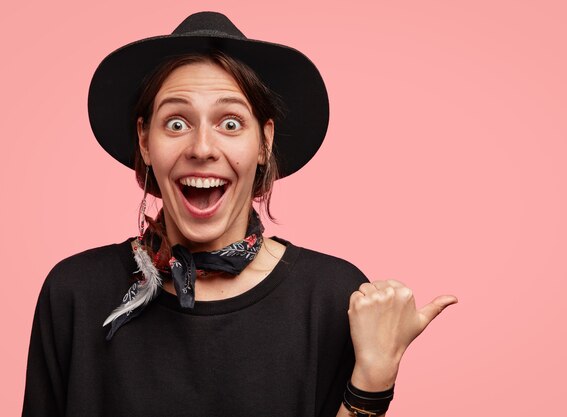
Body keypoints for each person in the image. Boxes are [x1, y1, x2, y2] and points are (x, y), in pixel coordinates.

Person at [22, 11, 458, 417]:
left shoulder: (333, 298)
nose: (202, 148)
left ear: (264, 142)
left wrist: (373, 382)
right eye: (176, 123)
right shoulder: (75, 293)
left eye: (230, 123)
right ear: (144, 141)